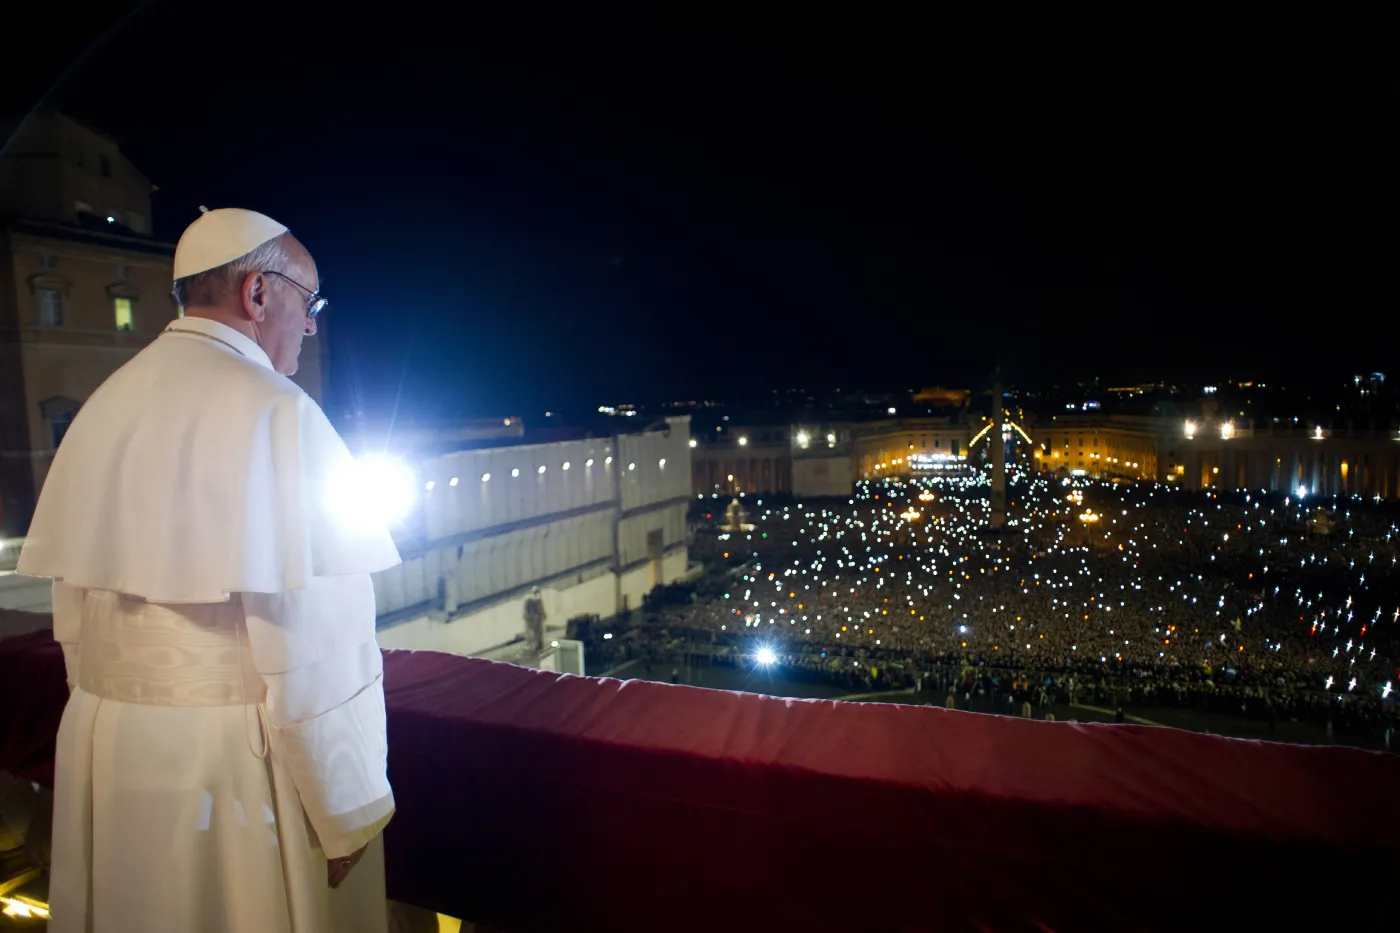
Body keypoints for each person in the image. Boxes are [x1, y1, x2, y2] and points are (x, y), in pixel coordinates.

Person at [18, 208, 401, 933]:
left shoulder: (104, 402)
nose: (312, 325)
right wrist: (345, 805)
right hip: (233, 771)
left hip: (108, 748)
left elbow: (74, 620)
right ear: (259, 294)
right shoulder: (279, 412)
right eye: (308, 303)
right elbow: (321, 645)